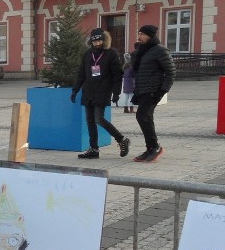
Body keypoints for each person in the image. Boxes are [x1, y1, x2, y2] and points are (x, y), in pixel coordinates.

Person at [71, 28, 130, 159]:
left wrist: (116, 92)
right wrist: (75, 90)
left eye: (99, 40)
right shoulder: (87, 54)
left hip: (103, 91)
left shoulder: (111, 53)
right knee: (90, 121)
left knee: (99, 119)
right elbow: (81, 74)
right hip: (89, 91)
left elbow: (117, 74)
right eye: (95, 41)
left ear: (104, 40)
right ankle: (94, 149)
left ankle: (121, 139)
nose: (97, 43)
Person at [131, 24, 175, 162]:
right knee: (146, 117)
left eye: (142, 34)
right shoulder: (143, 50)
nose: (139, 36)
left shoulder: (160, 50)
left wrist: (162, 90)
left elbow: (170, 71)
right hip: (143, 89)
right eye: (139, 33)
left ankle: (155, 147)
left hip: (153, 90)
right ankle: (151, 148)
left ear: (150, 35)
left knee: (142, 116)